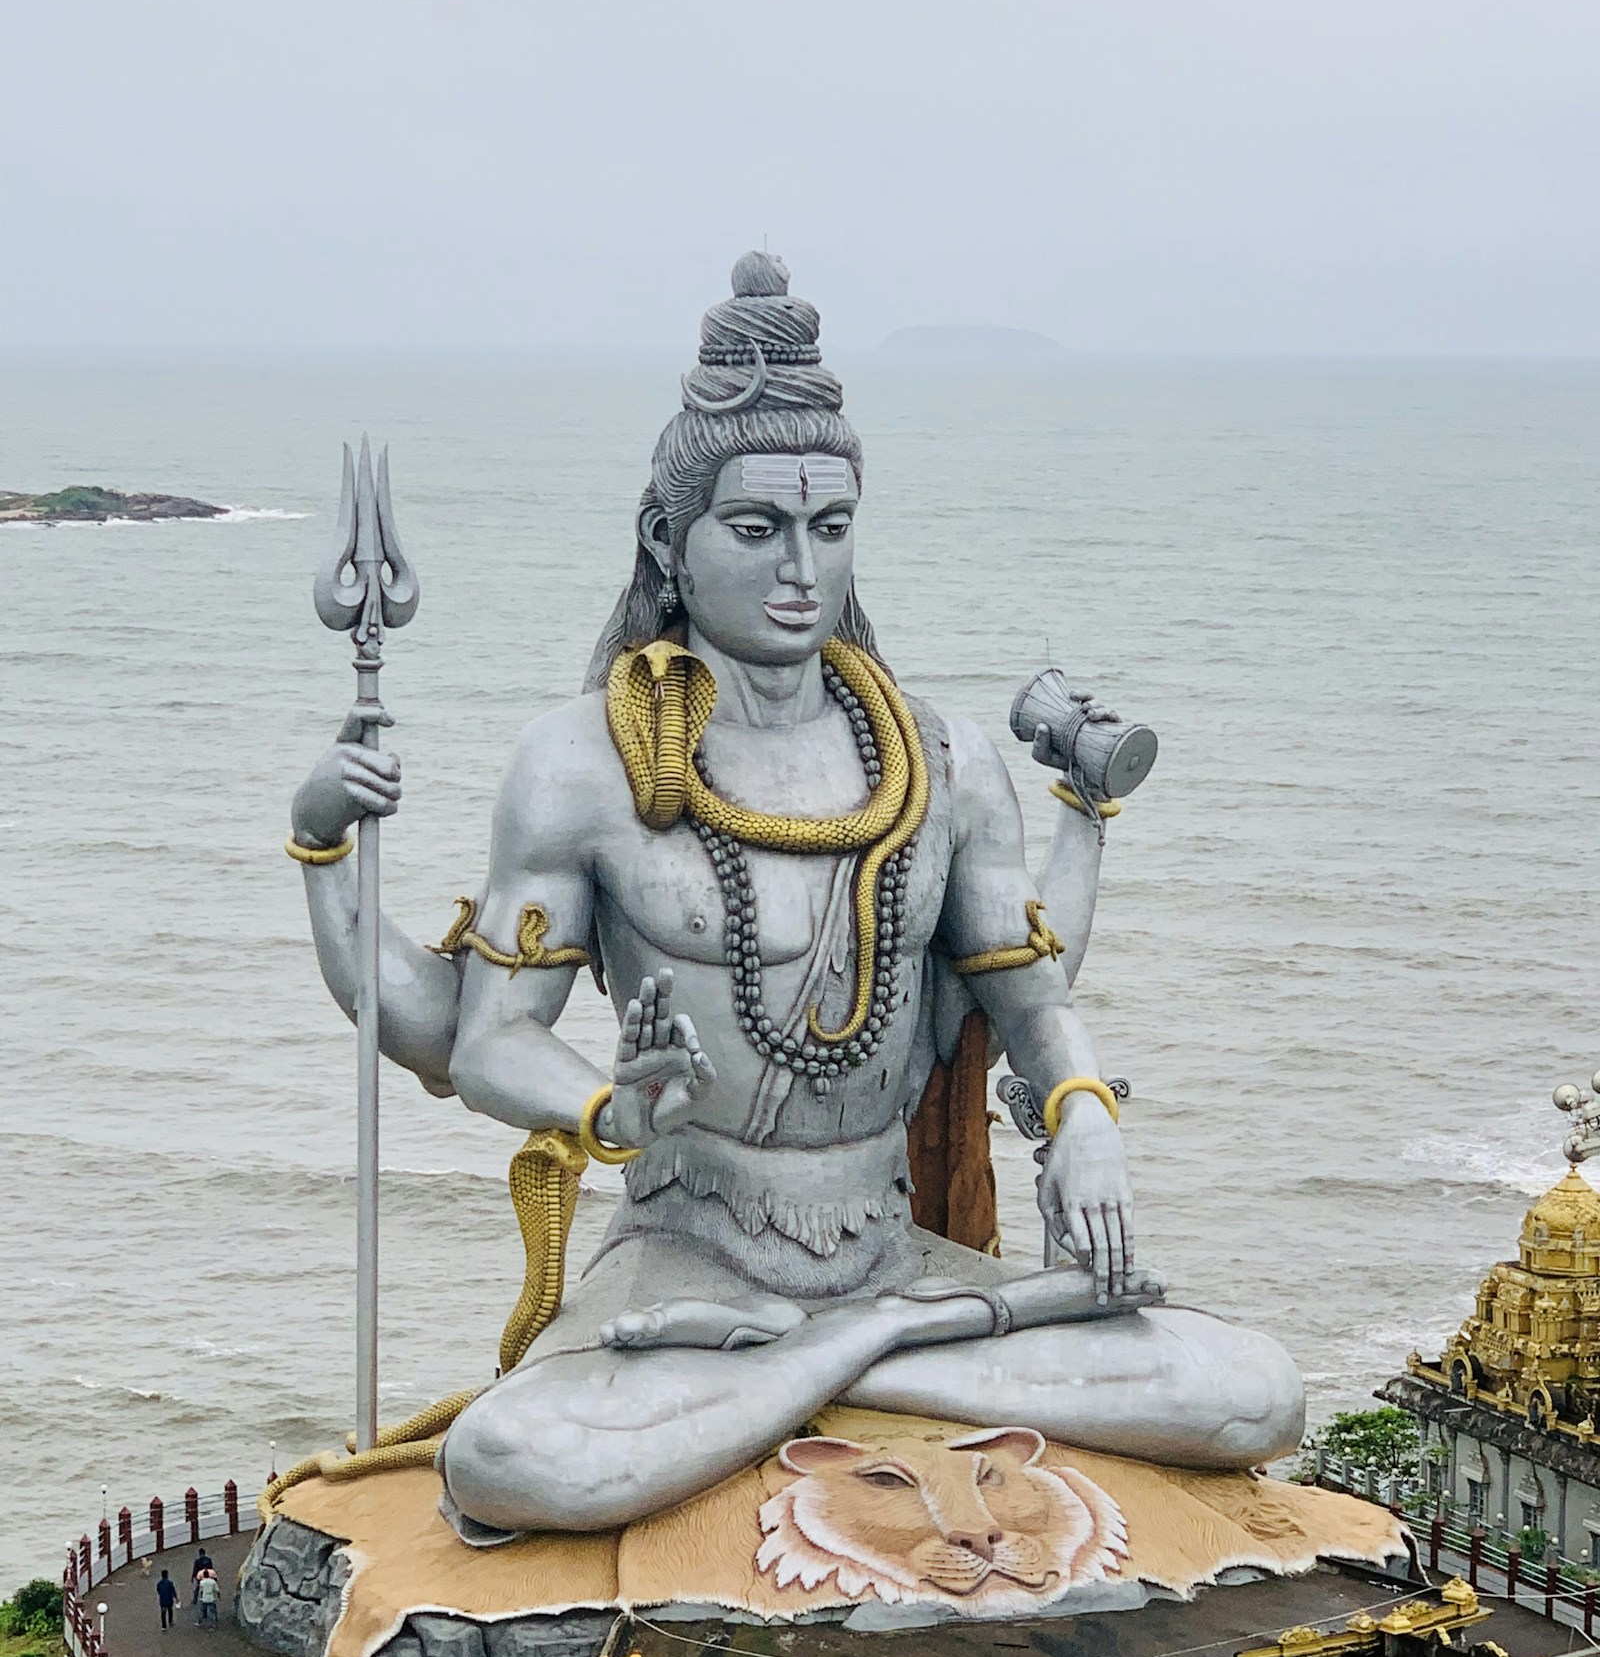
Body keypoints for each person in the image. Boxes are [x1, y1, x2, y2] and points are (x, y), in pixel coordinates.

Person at [288, 250, 1304, 1544]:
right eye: (757, 528)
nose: (798, 571)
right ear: (672, 536)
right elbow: (483, 1038)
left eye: (830, 530)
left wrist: (1087, 1117)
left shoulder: (939, 761)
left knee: (1253, 1392)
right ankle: (873, 1359)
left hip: (894, 1258)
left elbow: (1031, 1000)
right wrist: (601, 1105)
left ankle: (847, 1352)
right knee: (509, 1458)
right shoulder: (579, 765)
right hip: (686, 1271)